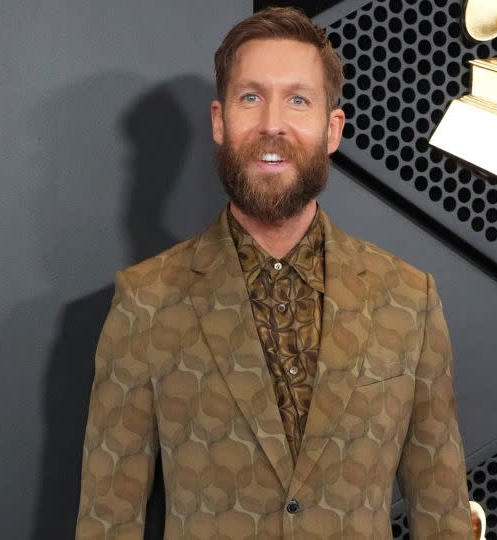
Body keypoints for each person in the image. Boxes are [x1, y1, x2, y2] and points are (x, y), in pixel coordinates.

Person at [75, 7, 472, 538]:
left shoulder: (408, 298)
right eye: (251, 97)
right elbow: (107, 522)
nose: (272, 124)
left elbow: (442, 515)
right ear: (220, 120)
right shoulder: (145, 303)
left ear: (333, 130)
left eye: (298, 100)